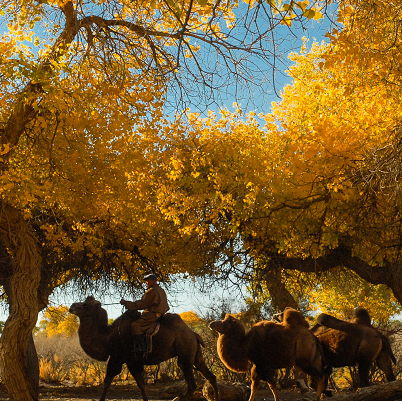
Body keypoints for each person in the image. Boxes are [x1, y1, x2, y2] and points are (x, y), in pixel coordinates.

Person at [120, 273, 169, 352]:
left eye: (147, 281)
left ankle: (144, 346)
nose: (146, 283)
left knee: (135, 325)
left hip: (152, 315)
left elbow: (142, 304)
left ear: (153, 281)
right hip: (160, 314)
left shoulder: (152, 291)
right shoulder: (161, 290)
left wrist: (127, 303)